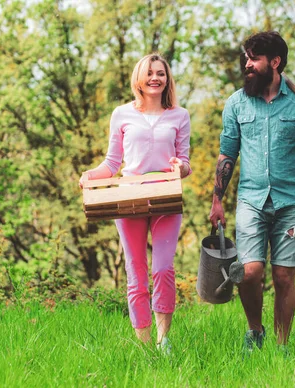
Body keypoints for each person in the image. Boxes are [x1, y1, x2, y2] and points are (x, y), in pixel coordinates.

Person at [208, 31, 295, 352]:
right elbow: (227, 155)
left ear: (274, 62)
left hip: (291, 203)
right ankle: (255, 332)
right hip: (250, 200)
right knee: (249, 273)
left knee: (283, 277)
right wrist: (217, 199)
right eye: (246, 59)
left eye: (254, 59)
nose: (247, 65)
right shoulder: (236, 103)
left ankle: (281, 346)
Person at [79, 53, 192, 352]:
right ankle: (143, 346)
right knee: (136, 270)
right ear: (139, 79)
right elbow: (111, 162)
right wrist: (89, 175)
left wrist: (180, 167)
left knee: (164, 269)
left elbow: (186, 162)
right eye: (150, 73)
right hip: (128, 197)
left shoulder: (180, 115)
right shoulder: (122, 114)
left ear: (167, 79)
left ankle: (163, 339)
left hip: (166, 195)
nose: (155, 78)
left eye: (161, 73)